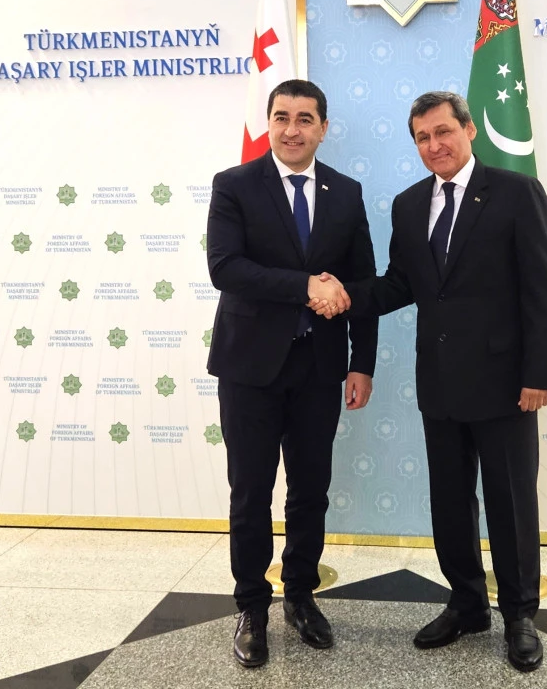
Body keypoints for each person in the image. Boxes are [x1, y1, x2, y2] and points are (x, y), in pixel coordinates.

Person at [312, 91, 547, 673]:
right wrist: (342, 294)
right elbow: (401, 283)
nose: (434, 145)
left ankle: (519, 614)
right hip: (440, 382)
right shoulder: (409, 204)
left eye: (443, 131)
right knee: (450, 500)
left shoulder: (516, 192)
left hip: (506, 385)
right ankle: (467, 603)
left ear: (469, 130)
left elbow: (545, 288)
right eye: (423, 137)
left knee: (509, 501)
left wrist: (539, 375)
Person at [206, 79, 376, 668]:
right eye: (281, 116)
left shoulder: (346, 192)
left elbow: (360, 285)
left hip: (319, 368)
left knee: (310, 490)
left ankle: (300, 595)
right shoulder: (234, 184)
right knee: (251, 491)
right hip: (249, 368)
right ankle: (252, 605)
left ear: (323, 128)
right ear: (269, 122)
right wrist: (305, 286)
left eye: (305, 119)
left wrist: (361, 363)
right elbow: (226, 268)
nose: (292, 129)